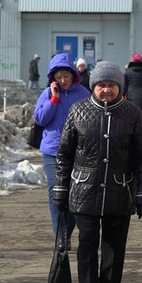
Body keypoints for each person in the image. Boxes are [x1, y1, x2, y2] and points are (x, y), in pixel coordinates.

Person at [53, 60, 142, 283]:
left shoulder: (132, 114)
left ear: (119, 87)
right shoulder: (78, 111)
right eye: (101, 85)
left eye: (111, 85)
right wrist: (60, 190)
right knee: (86, 242)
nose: (106, 90)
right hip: (84, 190)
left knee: (114, 246)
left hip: (119, 191)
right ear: (93, 86)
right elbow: (64, 154)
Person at [32, 54, 90, 243]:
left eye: (66, 75)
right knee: (55, 193)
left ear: (74, 74)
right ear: (52, 78)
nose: (63, 80)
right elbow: (40, 119)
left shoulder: (84, 94)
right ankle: (61, 238)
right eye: (59, 77)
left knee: (74, 194)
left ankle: (68, 231)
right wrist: (54, 100)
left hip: (77, 152)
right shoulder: (47, 94)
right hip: (52, 152)